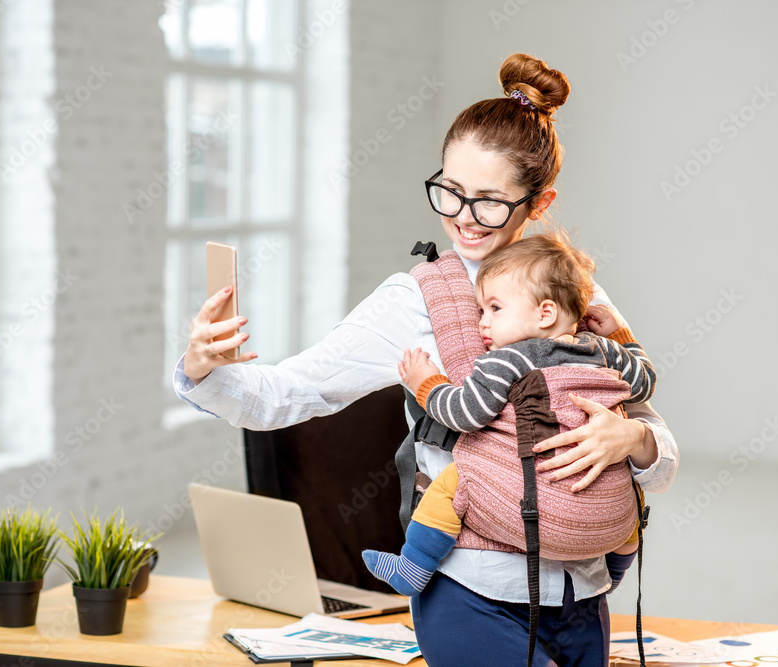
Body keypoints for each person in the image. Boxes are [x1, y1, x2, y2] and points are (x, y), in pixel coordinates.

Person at [175, 52, 678, 666]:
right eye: (450, 191)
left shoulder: (573, 294)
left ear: (539, 203)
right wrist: (204, 368)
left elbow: (659, 445)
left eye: (489, 201)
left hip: (581, 592)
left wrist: (631, 439)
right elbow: (287, 395)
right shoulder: (414, 300)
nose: (463, 219)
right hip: (472, 589)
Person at [362, 231, 656, 598]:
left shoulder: (508, 359)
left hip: (539, 507)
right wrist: (621, 335)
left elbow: (466, 413)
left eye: (494, 309)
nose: (482, 322)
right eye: (480, 311)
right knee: (630, 490)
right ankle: (615, 569)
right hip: (608, 523)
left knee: (455, 481)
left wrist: (427, 384)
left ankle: (412, 566)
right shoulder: (602, 351)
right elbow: (645, 381)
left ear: (545, 313)